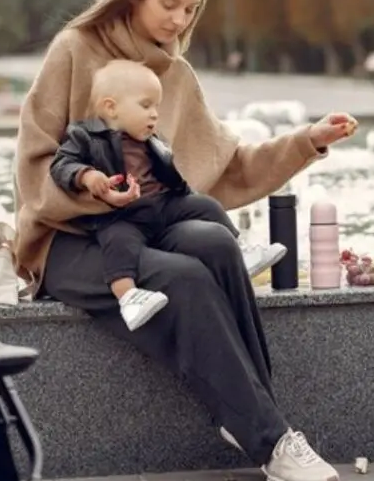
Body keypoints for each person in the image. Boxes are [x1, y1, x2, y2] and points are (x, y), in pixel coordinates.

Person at [13, 0, 359, 481]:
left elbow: (225, 167)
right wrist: (103, 194)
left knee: (215, 244)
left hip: (151, 222)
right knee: (184, 278)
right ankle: (271, 441)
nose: (179, 20)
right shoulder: (74, 51)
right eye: (168, 4)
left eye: (191, 9)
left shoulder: (175, 75)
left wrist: (307, 141)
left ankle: (251, 419)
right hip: (72, 240)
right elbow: (34, 170)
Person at [49, 60, 285, 330]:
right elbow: (61, 164)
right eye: (145, 105)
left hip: (163, 204)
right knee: (118, 243)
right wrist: (88, 177)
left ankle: (239, 250)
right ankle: (128, 297)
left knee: (206, 205)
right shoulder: (85, 135)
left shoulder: (150, 139)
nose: (154, 115)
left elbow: (168, 173)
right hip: (123, 214)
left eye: (157, 107)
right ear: (111, 107)